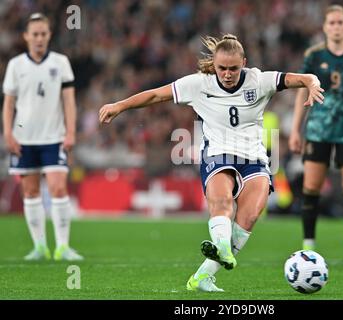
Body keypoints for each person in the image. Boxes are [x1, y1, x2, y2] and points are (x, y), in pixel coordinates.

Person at [99, 34, 324, 292]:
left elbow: (302, 78)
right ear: (214, 65)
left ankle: (203, 276)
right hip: (218, 154)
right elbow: (154, 96)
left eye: (234, 68)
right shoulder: (199, 84)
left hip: (255, 158)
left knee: (249, 217)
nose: (227, 74)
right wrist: (120, 105)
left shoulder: (259, 80)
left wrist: (312, 83)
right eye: (222, 68)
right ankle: (224, 248)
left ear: (244, 63)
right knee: (223, 202)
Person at [289, 5, 343, 261]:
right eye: (332, 23)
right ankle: (309, 244)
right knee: (311, 186)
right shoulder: (313, 55)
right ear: (325, 27)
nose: (336, 27)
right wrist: (295, 129)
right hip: (318, 129)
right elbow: (302, 91)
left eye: (340, 22)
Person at [2, 13, 83, 261]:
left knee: (59, 189)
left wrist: (70, 131)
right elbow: (8, 103)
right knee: (30, 192)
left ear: (49, 36)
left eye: (43, 34)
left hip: (53, 137)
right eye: (34, 34)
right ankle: (39, 246)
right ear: (26, 36)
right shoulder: (16, 65)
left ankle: (62, 247)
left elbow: (69, 101)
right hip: (23, 138)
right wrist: (7, 133)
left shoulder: (60, 63)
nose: (39, 38)